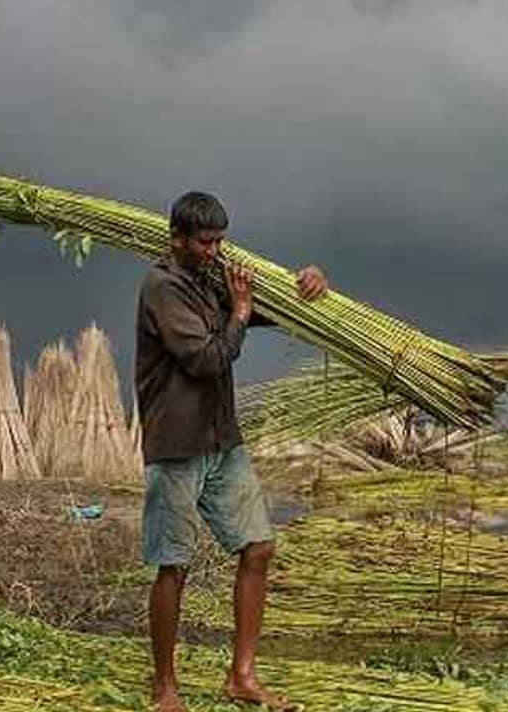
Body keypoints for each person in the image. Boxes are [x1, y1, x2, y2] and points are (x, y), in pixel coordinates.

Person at [137, 191, 327, 712]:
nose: (215, 250)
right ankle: (165, 688)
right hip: (176, 443)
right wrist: (240, 312)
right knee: (174, 564)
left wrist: (304, 287)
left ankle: (242, 676)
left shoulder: (207, 277)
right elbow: (204, 358)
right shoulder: (162, 286)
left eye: (220, 240)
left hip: (222, 439)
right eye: (205, 242)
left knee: (258, 547)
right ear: (177, 238)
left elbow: (265, 313)